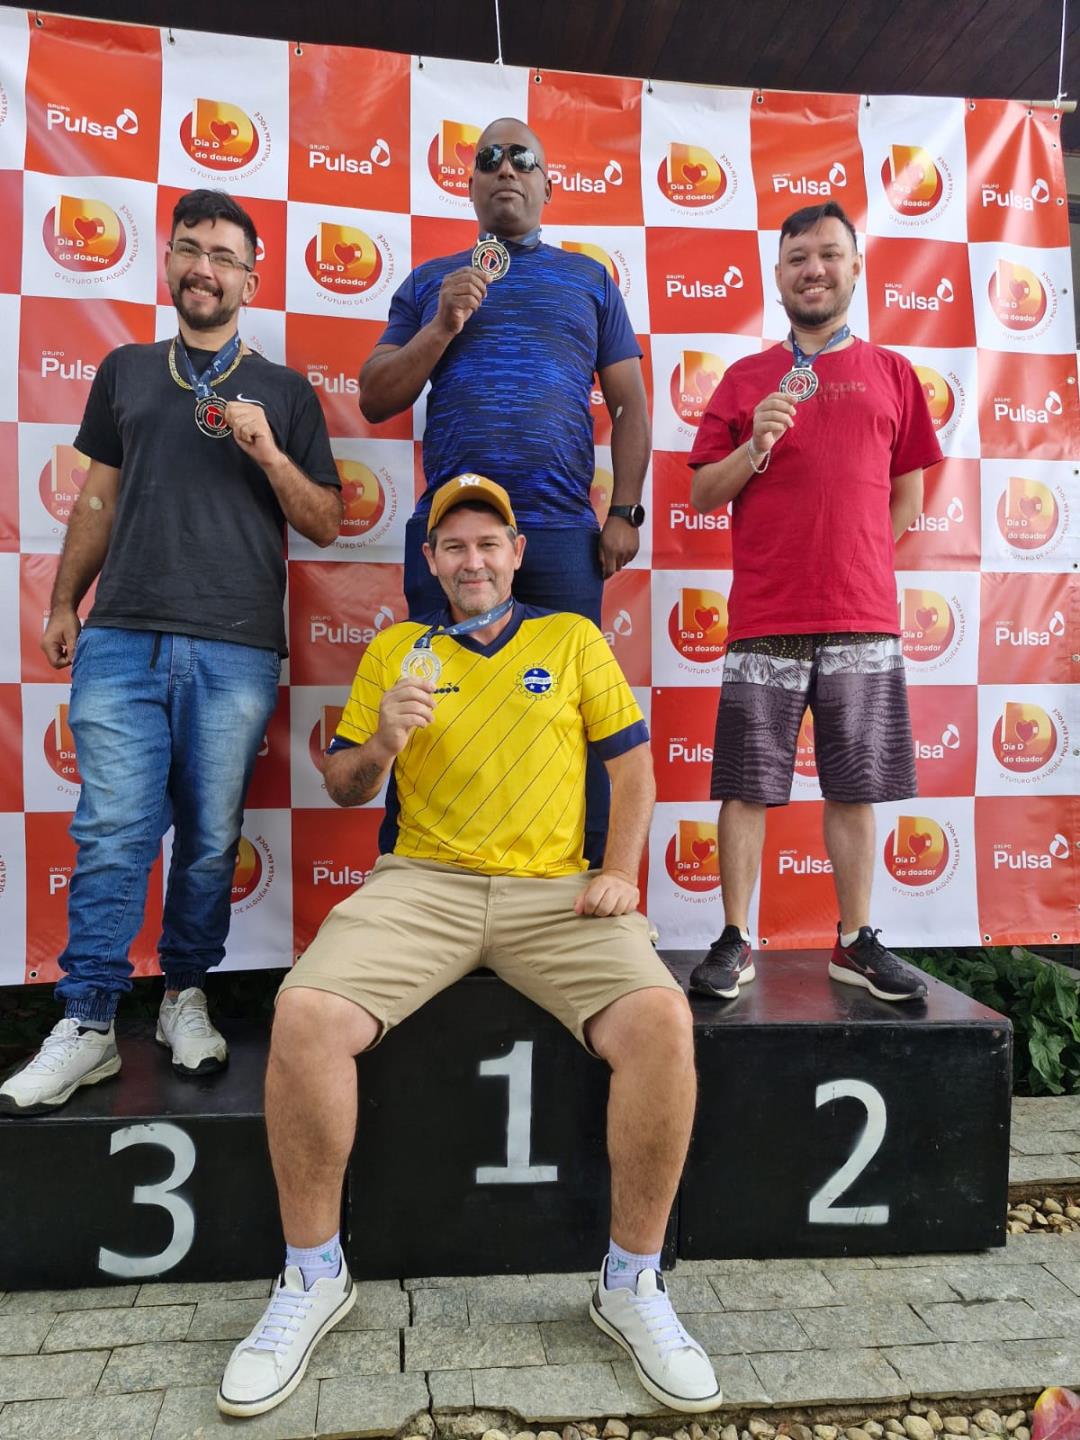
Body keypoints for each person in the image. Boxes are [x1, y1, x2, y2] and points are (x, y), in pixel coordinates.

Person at [216, 476, 721, 1421]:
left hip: (554, 889)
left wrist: (619, 871)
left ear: (518, 553)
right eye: (454, 545)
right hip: (424, 883)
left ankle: (633, 1281)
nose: (473, 559)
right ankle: (312, 1274)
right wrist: (382, 745)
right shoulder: (398, 649)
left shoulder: (571, 638)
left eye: (489, 542)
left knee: (661, 1018)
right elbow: (343, 786)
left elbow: (633, 768)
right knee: (305, 1012)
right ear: (431, 561)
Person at [0, 190, 342, 1116]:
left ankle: (185, 993)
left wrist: (269, 453)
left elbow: (326, 519)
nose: (204, 268)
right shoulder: (125, 370)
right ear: (169, 262)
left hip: (235, 649)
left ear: (251, 278)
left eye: (224, 256)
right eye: (190, 249)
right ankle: (88, 1022)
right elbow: (98, 499)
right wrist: (64, 599)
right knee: (113, 831)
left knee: (208, 842)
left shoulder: (286, 391)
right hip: (121, 637)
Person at [358, 116, 651, 862]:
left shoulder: (590, 280)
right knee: (426, 705)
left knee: (579, 714)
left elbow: (630, 405)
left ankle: (590, 876)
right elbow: (375, 396)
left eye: (523, 158)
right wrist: (442, 325)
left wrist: (624, 511)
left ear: (548, 184)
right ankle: (410, 869)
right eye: (490, 158)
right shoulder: (430, 281)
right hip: (453, 534)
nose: (506, 168)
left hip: (560, 534)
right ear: (471, 185)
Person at [686, 201, 942, 1005]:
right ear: (778, 275)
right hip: (767, 612)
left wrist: (857, 562)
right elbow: (703, 492)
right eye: (798, 258)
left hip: (864, 614)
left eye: (830, 254)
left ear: (856, 268)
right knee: (746, 783)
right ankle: (736, 938)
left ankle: (855, 939)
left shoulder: (893, 372)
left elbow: (908, 495)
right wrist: (753, 447)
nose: (814, 270)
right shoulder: (744, 378)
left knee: (855, 784)